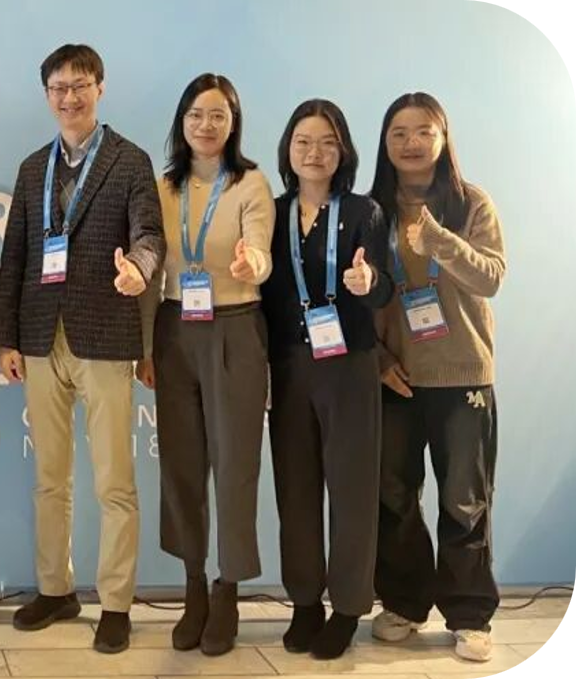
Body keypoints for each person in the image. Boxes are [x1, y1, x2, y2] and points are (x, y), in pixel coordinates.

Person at [0, 43, 165, 654]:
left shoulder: (130, 160)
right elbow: (15, 256)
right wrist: (6, 338)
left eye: (80, 85)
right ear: (47, 96)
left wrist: (138, 269)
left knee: (114, 481)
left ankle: (115, 602)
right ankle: (55, 589)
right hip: (41, 338)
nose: (69, 97)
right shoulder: (31, 168)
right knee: (49, 478)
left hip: (106, 336)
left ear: (100, 88)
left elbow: (150, 234)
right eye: (58, 88)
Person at [369, 92, 507, 663]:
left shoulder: (471, 203)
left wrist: (440, 242)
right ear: (385, 142)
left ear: (443, 137)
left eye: (423, 131)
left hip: (461, 374)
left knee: (464, 501)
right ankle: (404, 602)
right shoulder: (372, 209)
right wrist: (378, 359)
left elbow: (491, 278)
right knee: (394, 497)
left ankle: (469, 615)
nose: (411, 143)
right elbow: (361, 294)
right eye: (398, 133)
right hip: (396, 377)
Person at [142, 73, 275, 656]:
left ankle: (228, 590)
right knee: (182, 465)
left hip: (235, 327)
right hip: (175, 329)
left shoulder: (250, 183)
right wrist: (145, 347)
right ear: (182, 121)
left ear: (233, 123)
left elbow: (260, 248)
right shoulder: (163, 186)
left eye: (218, 115)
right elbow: (151, 269)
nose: (206, 125)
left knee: (236, 466)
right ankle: (192, 585)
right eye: (196, 114)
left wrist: (252, 264)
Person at [262, 99, 392, 660]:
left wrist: (368, 282)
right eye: (303, 142)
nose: (314, 153)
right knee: (295, 489)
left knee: (352, 489)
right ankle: (305, 603)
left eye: (327, 142)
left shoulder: (365, 211)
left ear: (343, 151)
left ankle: (347, 608)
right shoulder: (271, 213)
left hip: (349, 364)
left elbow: (385, 288)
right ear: (287, 150)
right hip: (289, 363)